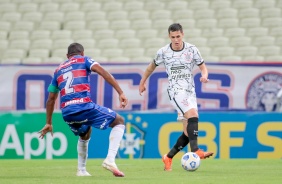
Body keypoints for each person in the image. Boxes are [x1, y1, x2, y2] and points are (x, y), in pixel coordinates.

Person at [38, 43, 128, 177]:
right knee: (119, 121)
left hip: (67, 112)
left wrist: (49, 122)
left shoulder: (58, 70)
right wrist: (120, 92)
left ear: (67, 56)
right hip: (83, 106)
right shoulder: (84, 60)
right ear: (82, 53)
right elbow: (102, 71)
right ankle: (110, 160)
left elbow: (51, 98)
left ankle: (81, 170)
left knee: (85, 133)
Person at [139, 23, 214, 171]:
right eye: (173, 37)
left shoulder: (192, 49)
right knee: (193, 115)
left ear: (182, 34)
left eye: (178, 36)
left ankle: (168, 157)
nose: (176, 40)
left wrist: (204, 76)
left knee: (187, 132)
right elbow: (151, 67)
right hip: (175, 91)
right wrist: (142, 82)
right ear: (169, 37)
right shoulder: (163, 52)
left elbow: (202, 66)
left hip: (190, 92)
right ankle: (196, 151)